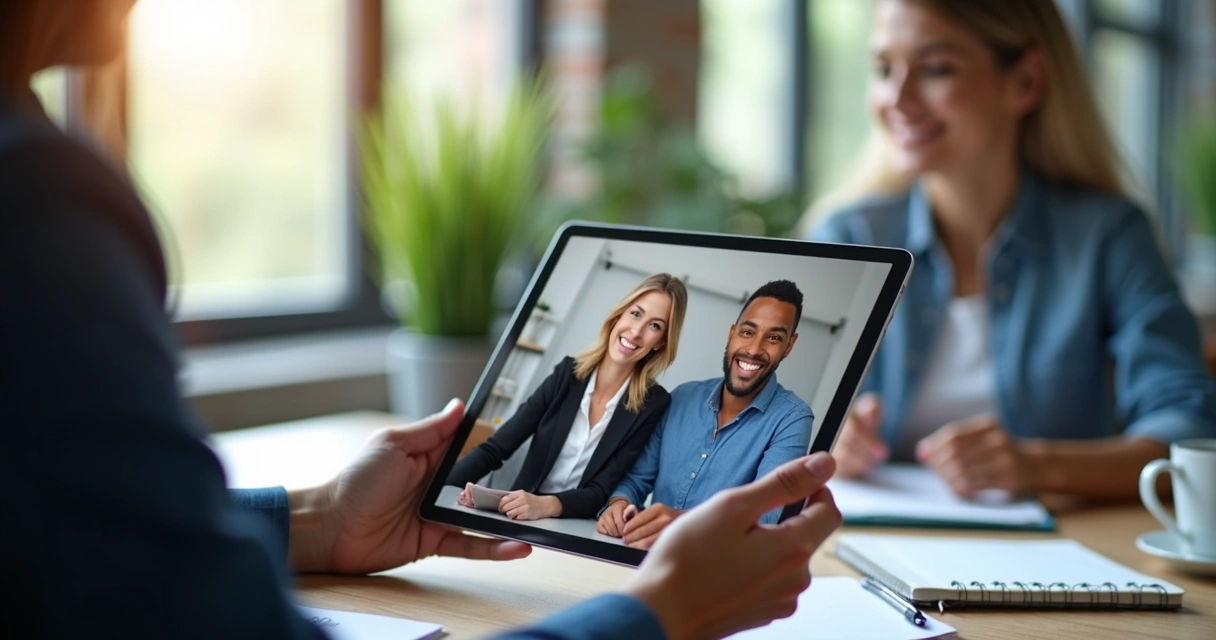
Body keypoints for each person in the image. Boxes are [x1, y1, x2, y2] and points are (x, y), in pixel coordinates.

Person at [1, 2, 843, 638]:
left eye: (659, 327)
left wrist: (319, 520)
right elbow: (526, 451)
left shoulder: (664, 402)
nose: (641, 333)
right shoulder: (36, 201)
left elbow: (58, 532)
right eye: (637, 317)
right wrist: (660, 613)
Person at [807, 0, 1216, 499]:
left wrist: (1038, 465)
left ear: (1025, 82)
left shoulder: (1110, 237)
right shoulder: (844, 236)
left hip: (1057, 554)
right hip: (865, 548)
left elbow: (1189, 434)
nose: (897, 97)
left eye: (936, 68)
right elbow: (754, 415)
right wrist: (821, 434)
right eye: (884, 68)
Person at [447, 274, 687, 520]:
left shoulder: (652, 404)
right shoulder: (566, 375)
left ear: (660, 343)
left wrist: (544, 505)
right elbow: (496, 448)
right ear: (619, 315)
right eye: (636, 314)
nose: (636, 332)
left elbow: (601, 490)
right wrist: (438, 490)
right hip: (517, 515)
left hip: (574, 525)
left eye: (655, 326)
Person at [596, 280, 815, 549]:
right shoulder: (682, 397)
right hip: (641, 557)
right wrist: (619, 505)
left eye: (774, 338)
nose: (755, 349)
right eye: (748, 332)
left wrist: (678, 522)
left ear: (789, 346)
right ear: (731, 333)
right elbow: (636, 480)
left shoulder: (793, 419)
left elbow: (766, 516)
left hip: (715, 575)